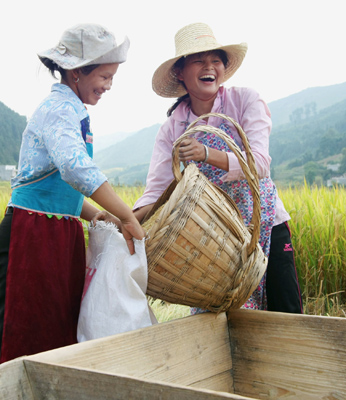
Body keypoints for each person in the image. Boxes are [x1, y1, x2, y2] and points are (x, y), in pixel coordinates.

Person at [0, 23, 145, 363]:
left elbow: (61, 186)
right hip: (31, 233)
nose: (108, 86)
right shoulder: (59, 110)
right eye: (105, 77)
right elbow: (76, 169)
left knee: (55, 327)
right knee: (23, 327)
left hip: (56, 232)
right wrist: (125, 215)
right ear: (77, 72)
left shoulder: (74, 113)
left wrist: (98, 214)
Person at [133, 22, 302, 313]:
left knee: (286, 315)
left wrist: (206, 153)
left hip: (266, 226)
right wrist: (125, 220)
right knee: (225, 325)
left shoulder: (245, 100)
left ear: (223, 68)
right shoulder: (173, 128)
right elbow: (157, 192)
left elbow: (259, 164)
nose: (208, 67)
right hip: (214, 240)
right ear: (180, 73)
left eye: (215, 60)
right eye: (198, 60)